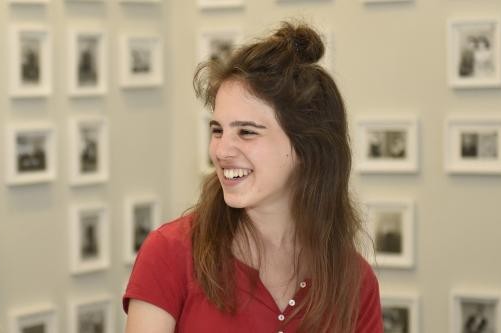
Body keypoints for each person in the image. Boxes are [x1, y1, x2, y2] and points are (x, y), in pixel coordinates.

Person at [124, 21, 382, 332]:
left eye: (246, 132)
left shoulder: (354, 281)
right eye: (218, 130)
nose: (221, 150)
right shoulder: (168, 254)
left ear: (307, 148)